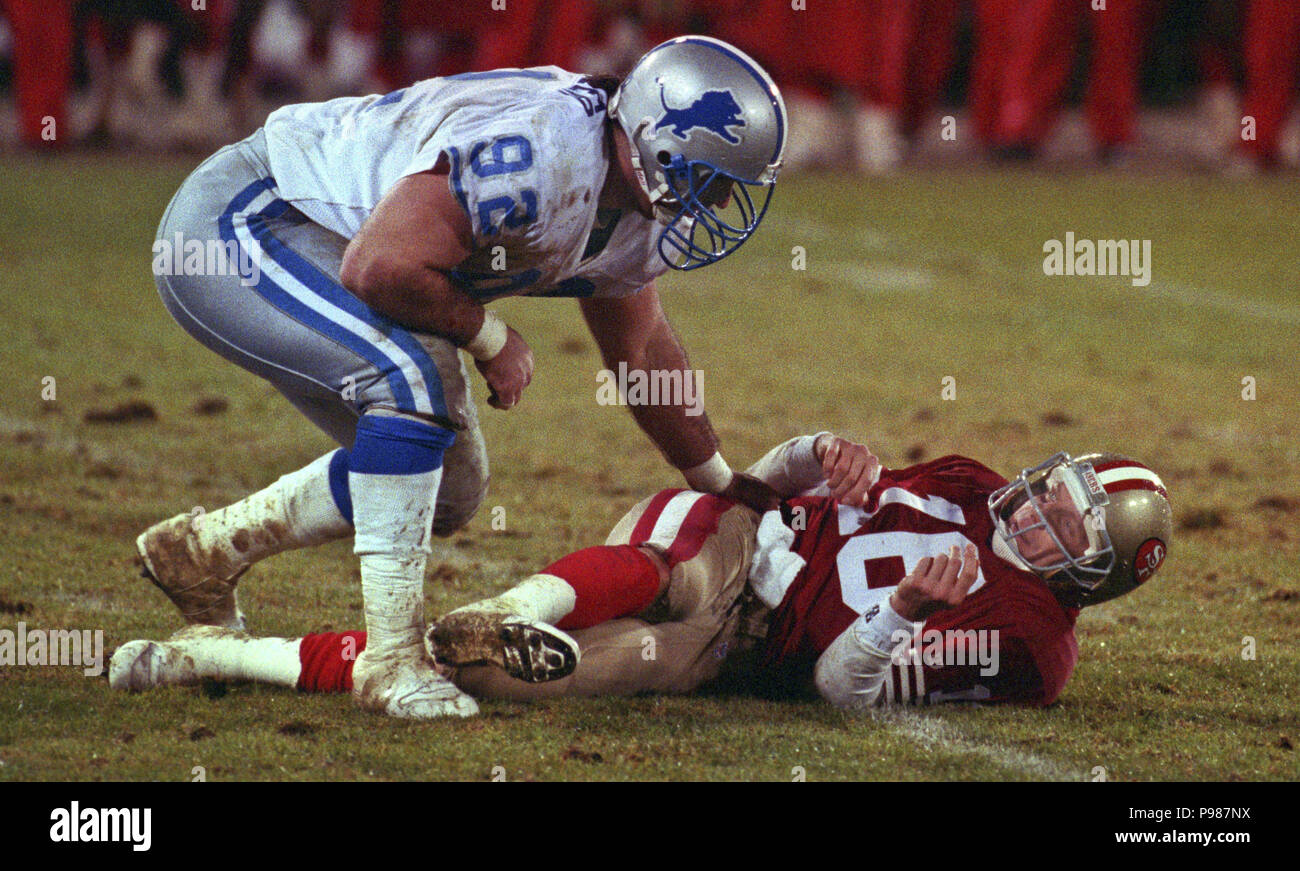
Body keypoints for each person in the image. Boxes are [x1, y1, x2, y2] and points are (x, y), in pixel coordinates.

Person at [138, 35, 789, 720]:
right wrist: (491, 336)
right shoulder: (545, 151)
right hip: (246, 221)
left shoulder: (633, 205)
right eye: (712, 179)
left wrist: (717, 481)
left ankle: (202, 552)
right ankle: (391, 662)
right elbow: (379, 267)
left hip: (339, 247)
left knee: (448, 481)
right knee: (413, 381)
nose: (716, 205)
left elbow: (643, 347)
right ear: (657, 139)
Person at [112, 433, 1173, 711]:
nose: (1036, 506)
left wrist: (899, 611)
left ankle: (213, 653)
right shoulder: (972, 483)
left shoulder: (1029, 643)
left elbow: (840, 690)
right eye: (1056, 487)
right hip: (733, 535)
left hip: (738, 653)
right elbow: (785, 473)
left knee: (483, 678)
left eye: (1066, 519)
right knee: (686, 580)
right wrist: (820, 452)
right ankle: (511, 603)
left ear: (1093, 571)